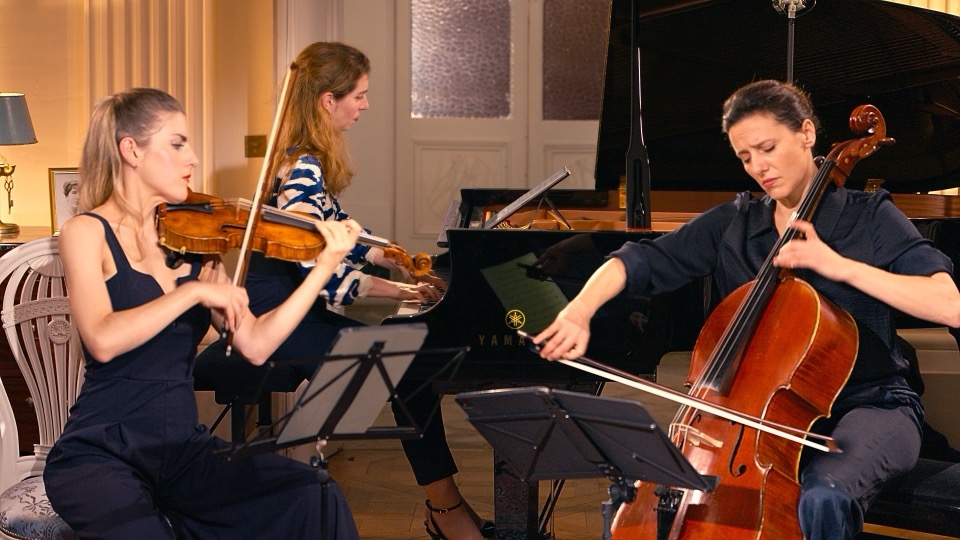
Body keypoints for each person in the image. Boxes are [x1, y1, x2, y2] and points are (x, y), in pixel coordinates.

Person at [532, 79, 960, 539]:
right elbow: (638, 261)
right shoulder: (735, 224)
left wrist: (840, 267)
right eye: (745, 157)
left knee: (825, 495)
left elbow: (948, 304)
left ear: (807, 133)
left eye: (767, 148)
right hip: (757, 421)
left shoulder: (869, 215)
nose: (759, 167)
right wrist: (579, 310)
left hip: (872, 407)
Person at [43, 87, 362, 539]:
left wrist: (323, 268)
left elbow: (256, 345)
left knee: (314, 493)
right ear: (131, 150)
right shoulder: (85, 231)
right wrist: (191, 294)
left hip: (182, 453)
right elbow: (102, 337)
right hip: (101, 453)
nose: (193, 158)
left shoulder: (196, 244)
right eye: (177, 144)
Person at [226, 41, 488, 540]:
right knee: (403, 368)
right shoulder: (302, 171)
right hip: (281, 318)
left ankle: (442, 506)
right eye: (359, 96)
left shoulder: (304, 161)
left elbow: (339, 227)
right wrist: (401, 294)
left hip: (296, 310)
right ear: (329, 100)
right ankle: (439, 508)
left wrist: (387, 254)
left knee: (406, 365)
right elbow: (322, 274)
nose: (365, 106)